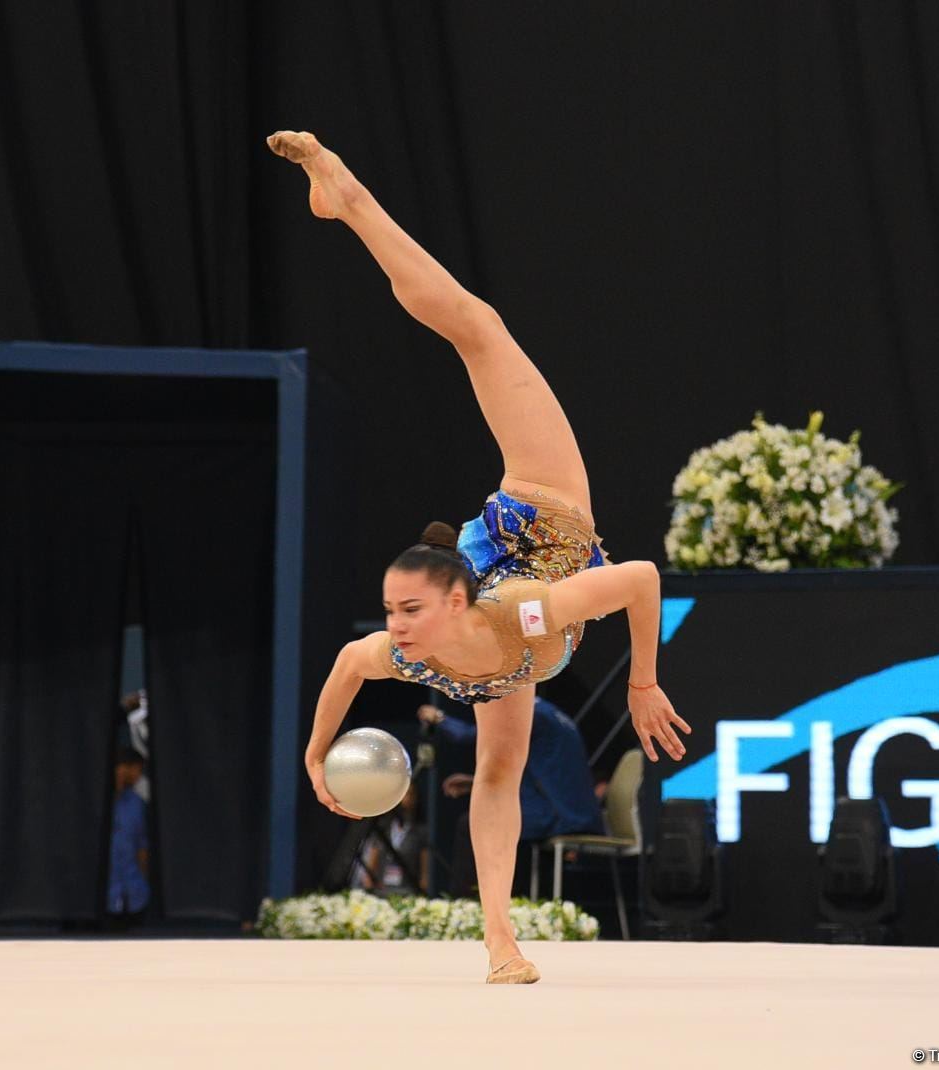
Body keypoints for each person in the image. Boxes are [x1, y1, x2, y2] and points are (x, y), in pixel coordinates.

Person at [270, 130, 691, 985]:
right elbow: (347, 670)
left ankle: (347, 197)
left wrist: (643, 680)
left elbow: (643, 579)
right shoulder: (416, 650)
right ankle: (500, 942)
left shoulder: (519, 613)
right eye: (392, 612)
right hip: (508, 625)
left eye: (408, 611)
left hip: (542, 501)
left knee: (478, 328)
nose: (393, 630)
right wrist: (314, 755)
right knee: (498, 773)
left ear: (453, 606)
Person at [418, 698, 604, 898]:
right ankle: (498, 902)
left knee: (474, 823)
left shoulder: (531, 714)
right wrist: (476, 782)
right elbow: (538, 773)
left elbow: (472, 736)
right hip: (569, 810)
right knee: (497, 818)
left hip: (561, 815)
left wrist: (439, 718)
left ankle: (467, 906)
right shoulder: (549, 711)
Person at [348, 781, 428, 896]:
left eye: (411, 794)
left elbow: (425, 873)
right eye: (403, 794)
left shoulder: (421, 832)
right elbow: (372, 864)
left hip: (408, 893)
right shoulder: (383, 828)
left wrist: (422, 892)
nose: (407, 799)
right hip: (381, 892)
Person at [105, 747, 150, 930]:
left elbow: (141, 846)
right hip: (105, 898)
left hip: (134, 895)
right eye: (137, 769)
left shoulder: (135, 803)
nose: (139, 776)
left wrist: (143, 879)